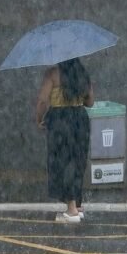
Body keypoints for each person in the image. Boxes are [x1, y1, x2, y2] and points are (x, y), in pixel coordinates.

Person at [35, 58, 94, 223]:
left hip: (60, 121)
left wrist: (39, 118)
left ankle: (71, 209)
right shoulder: (82, 74)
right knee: (78, 160)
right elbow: (90, 102)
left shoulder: (53, 74)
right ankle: (78, 203)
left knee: (62, 161)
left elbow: (42, 100)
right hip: (80, 120)